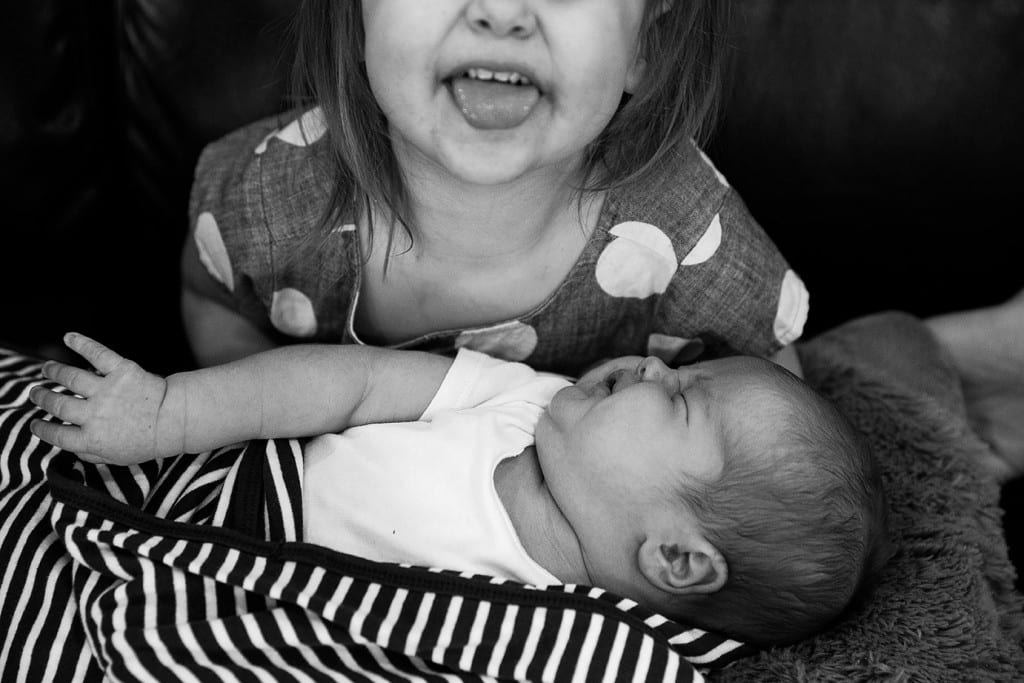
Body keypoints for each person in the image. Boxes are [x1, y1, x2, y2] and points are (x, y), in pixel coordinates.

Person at [28, 332, 889, 646]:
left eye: (678, 401)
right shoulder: (528, 398)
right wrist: (173, 414)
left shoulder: (581, 649)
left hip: (234, 613)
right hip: (209, 491)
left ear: (674, 554)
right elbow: (354, 382)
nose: (654, 364)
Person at [182, 0, 810, 377]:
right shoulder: (269, 193)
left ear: (644, 41)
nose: (504, 14)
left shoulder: (684, 234)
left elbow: (773, 412)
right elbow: (209, 296)